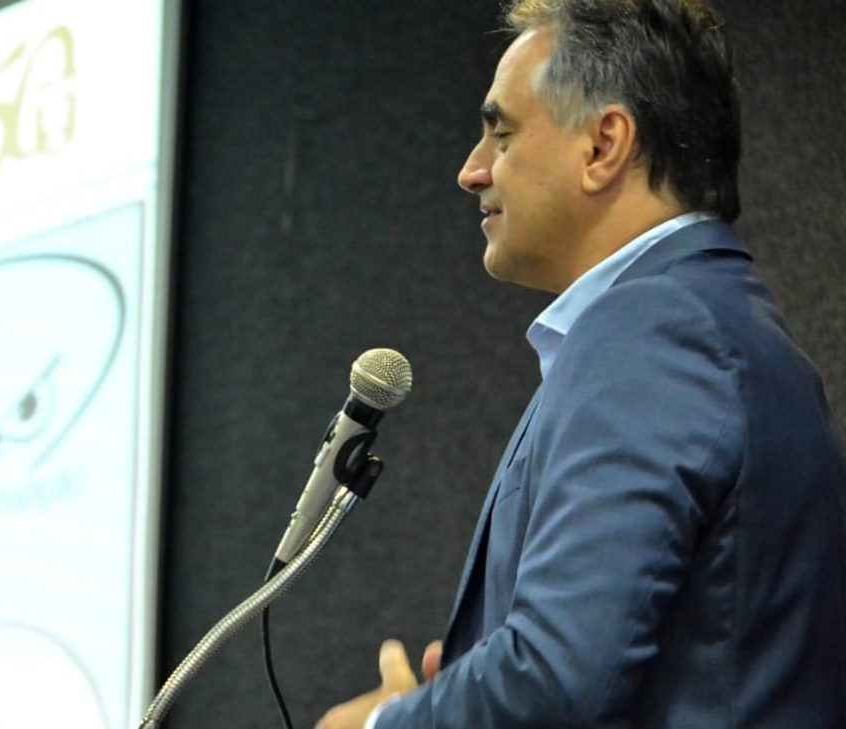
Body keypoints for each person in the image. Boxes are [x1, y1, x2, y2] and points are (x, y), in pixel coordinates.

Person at [316, 0, 846, 727]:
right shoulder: (723, 320)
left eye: (502, 132)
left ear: (603, 145)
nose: (472, 170)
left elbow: (559, 678)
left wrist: (384, 725)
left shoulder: (654, 331)